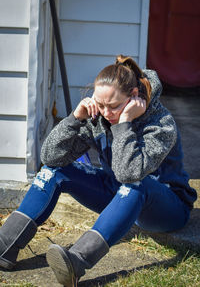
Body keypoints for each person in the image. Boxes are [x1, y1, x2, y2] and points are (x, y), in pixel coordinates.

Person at [0, 55, 197, 286]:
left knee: (137, 183)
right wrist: (75, 119)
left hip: (166, 207)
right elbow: (50, 157)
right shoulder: (99, 117)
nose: (105, 113)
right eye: (100, 104)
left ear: (134, 96)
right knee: (55, 170)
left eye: (113, 106)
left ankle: (77, 262)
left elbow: (130, 174)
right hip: (119, 193)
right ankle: (5, 246)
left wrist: (124, 124)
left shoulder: (160, 123)